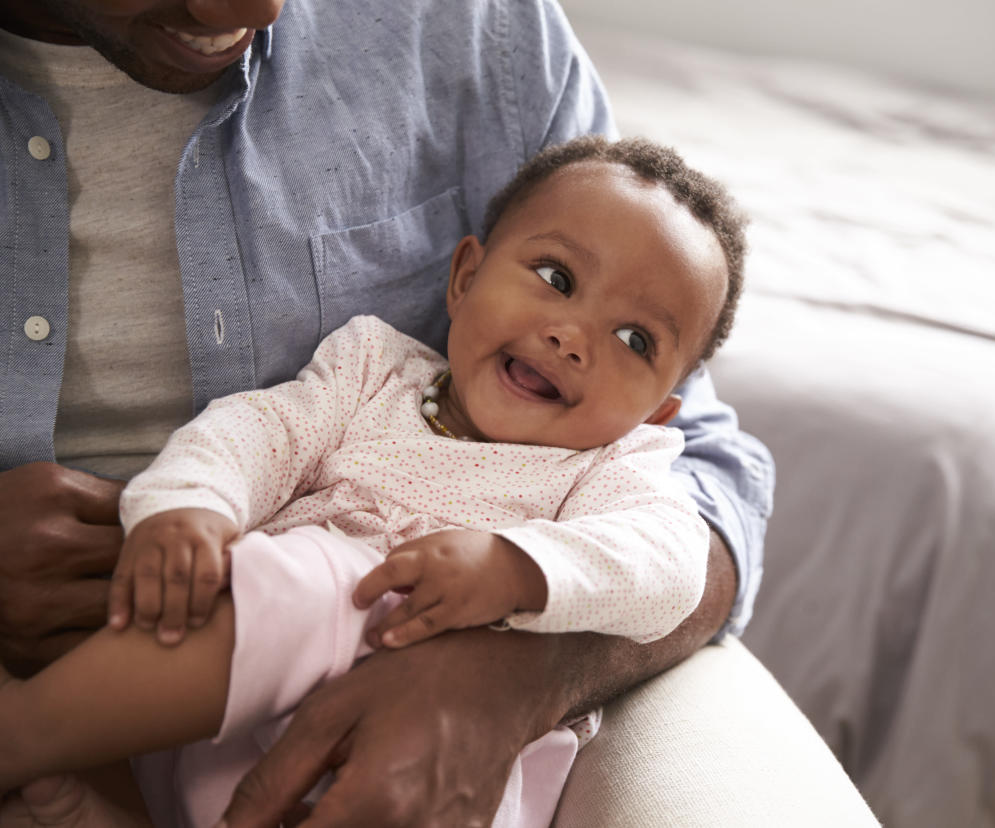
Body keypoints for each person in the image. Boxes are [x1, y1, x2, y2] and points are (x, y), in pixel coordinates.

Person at [0, 2, 774, 826]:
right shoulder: (374, 367)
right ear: (464, 278)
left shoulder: (617, 466)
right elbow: (261, 431)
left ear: (659, 411)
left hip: (416, 744)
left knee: (329, 584)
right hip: (199, 695)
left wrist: (520, 579)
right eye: (554, 278)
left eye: (633, 338)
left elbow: (668, 559)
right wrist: (188, 506)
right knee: (303, 582)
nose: (572, 336)